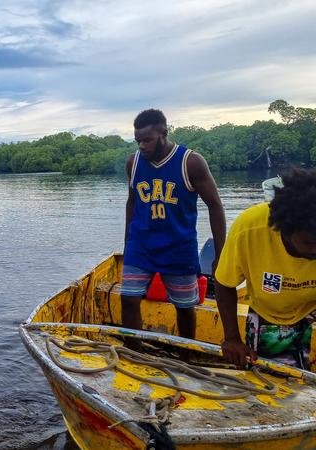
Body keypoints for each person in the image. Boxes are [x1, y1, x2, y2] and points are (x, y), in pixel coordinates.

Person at [121, 109, 226, 346]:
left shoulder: (191, 162)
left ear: (163, 134)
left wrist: (222, 253)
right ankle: (133, 354)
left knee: (185, 307)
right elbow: (132, 201)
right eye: (138, 141)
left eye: (147, 140)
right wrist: (127, 243)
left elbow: (215, 206)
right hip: (142, 243)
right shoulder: (134, 162)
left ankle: (186, 354)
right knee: (128, 299)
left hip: (179, 245)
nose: (142, 146)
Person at [215, 167, 316, 369]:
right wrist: (232, 338)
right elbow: (224, 283)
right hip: (273, 310)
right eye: (310, 243)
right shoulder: (250, 228)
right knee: (275, 374)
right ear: (285, 230)